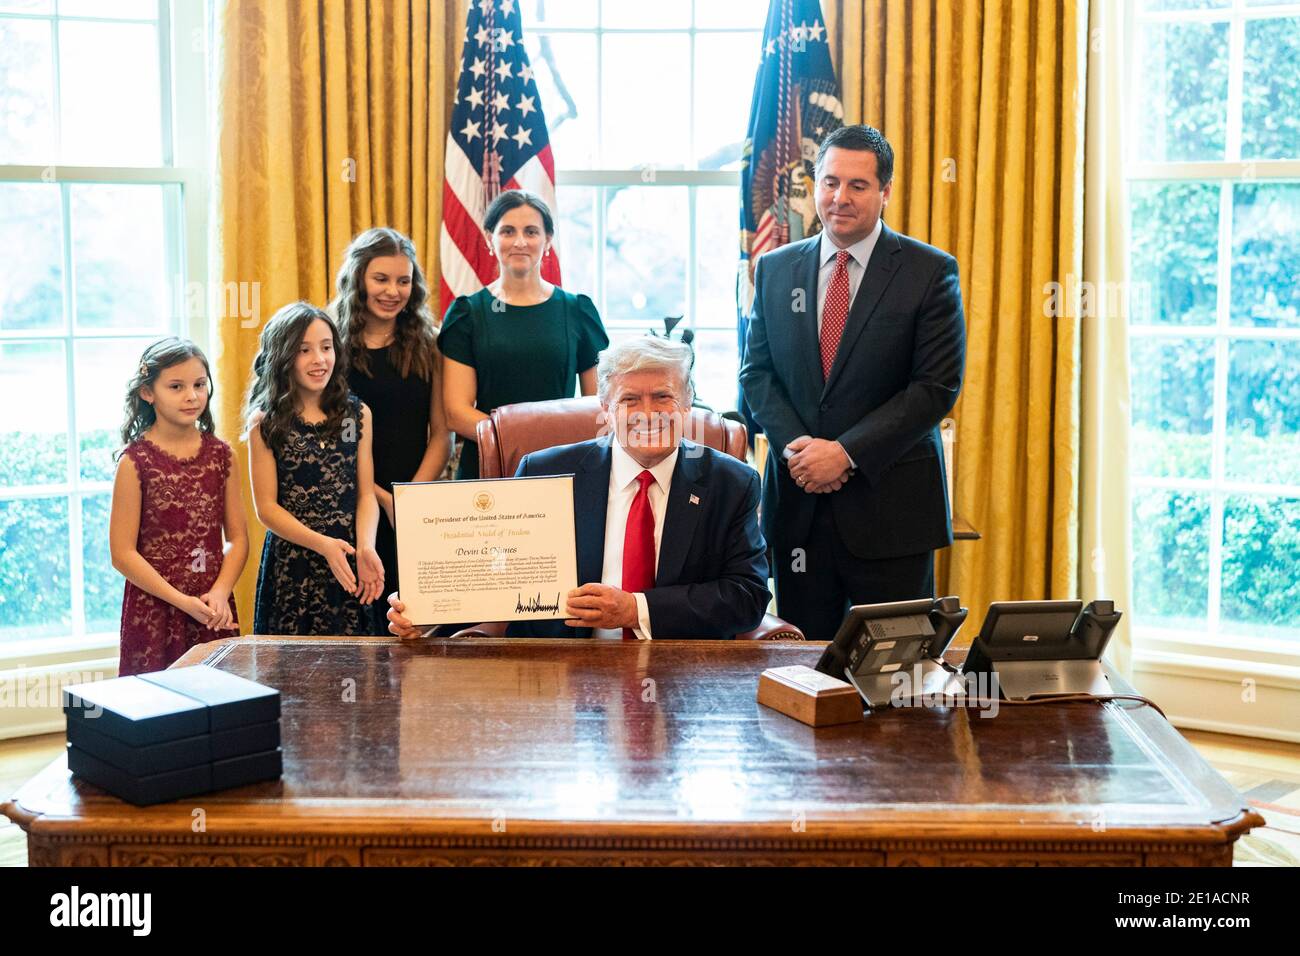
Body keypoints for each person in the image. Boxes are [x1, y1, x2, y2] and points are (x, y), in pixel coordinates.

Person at [739, 124, 966, 642]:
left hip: (890, 512)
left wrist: (844, 453)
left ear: (885, 192)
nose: (840, 198)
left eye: (858, 186)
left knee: (894, 675)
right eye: (830, 182)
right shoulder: (774, 269)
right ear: (815, 184)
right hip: (799, 509)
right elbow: (756, 372)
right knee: (802, 674)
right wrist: (801, 452)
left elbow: (934, 387)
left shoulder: (928, 272)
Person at [386, 336, 770, 639]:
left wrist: (636, 609)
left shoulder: (730, 483)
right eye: (630, 400)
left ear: (687, 403)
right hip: (560, 673)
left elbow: (747, 596)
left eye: (663, 397)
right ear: (605, 407)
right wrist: (429, 615)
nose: (648, 414)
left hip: (678, 673)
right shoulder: (545, 472)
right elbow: (496, 576)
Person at [439, 189, 609, 479]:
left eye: (531, 232)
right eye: (507, 231)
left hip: (559, 466)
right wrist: (522, 441)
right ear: (489, 239)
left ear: (547, 241)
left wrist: (537, 443)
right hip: (486, 467)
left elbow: (599, 406)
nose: (519, 241)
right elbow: (456, 412)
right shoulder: (467, 313)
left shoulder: (578, 311)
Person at [334, 227, 453, 634]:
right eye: (380, 279)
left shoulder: (429, 343)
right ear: (358, 280)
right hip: (345, 503)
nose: (392, 291)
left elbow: (441, 434)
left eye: (403, 281)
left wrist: (410, 501)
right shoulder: (329, 344)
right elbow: (322, 437)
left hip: (410, 508)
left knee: (406, 627)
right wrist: (378, 495)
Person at [245, 302, 384, 635]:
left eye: (326, 348)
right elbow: (266, 509)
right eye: (304, 350)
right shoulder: (265, 422)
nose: (319, 359)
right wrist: (323, 545)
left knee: (355, 672)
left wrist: (365, 546)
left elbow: (366, 494)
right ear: (283, 357)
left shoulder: (357, 414)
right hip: (292, 568)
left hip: (349, 565)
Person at [109, 337, 247, 675]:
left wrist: (220, 591)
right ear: (147, 392)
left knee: (218, 709)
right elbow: (122, 553)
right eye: (176, 386)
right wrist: (180, 601)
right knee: (157, 714)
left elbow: (239, 539)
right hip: (154, 609)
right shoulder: (134, 462)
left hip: (211, 608)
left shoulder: (221, 455)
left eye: (200, 385)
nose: (192, 396)